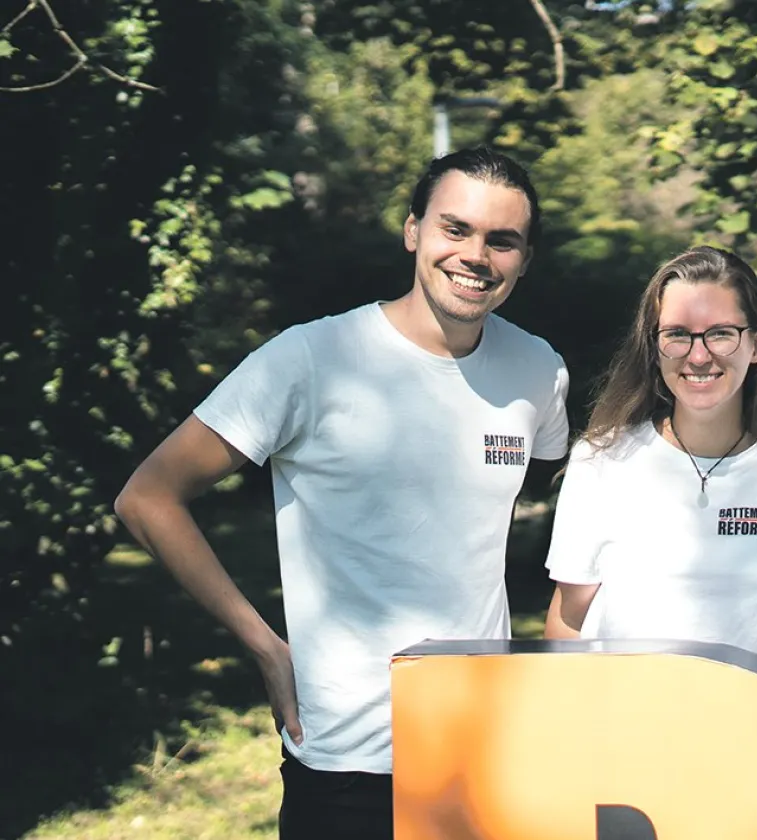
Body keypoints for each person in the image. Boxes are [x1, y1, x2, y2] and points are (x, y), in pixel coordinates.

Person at [113, 147, 570, 839]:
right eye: (456, 229)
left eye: (500, 240)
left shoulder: (539, 370)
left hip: (480, 747)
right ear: (413, 230)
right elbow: (148, 497)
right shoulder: (309, 360)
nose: (476, 255)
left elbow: (560, 493)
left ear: (524, 259)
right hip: (346, 756)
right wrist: (264, 645)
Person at [542, 246, 757, 679]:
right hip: (624, 740)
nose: (698, 357)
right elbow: (567, 625)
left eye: (720, 333)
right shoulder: (600, 461)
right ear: (655, 345)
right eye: (678, 334)